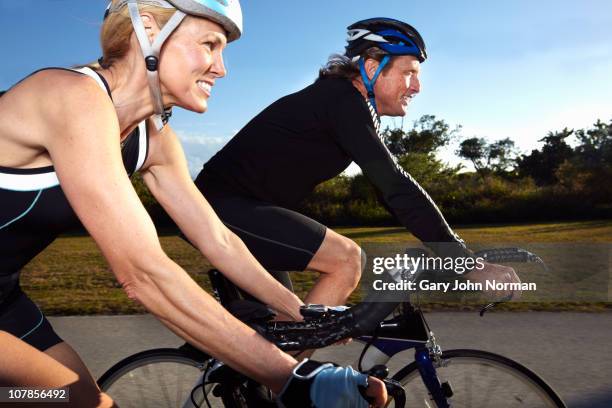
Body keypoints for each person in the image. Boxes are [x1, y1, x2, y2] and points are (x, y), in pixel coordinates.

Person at [0, 1, 386, 407]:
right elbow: (143, 273)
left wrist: (299, 313)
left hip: (5, 297)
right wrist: (293, 376)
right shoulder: (69, 95)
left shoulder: (155, 139)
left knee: (79, 400)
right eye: (209, 44)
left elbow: (218, 239)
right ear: (148, 30)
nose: (221, 68)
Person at [195, 17, 521, 309]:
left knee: (286, 324)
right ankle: (284, 373)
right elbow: (394, 184)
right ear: (370, 67)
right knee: (346, 260)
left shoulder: (349, 105)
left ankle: (249, 372)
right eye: (409, 73)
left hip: (240, 211)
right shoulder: (341, 100)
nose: (418, 87)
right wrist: (465, 264)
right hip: (220, 208)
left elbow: (388, 191)